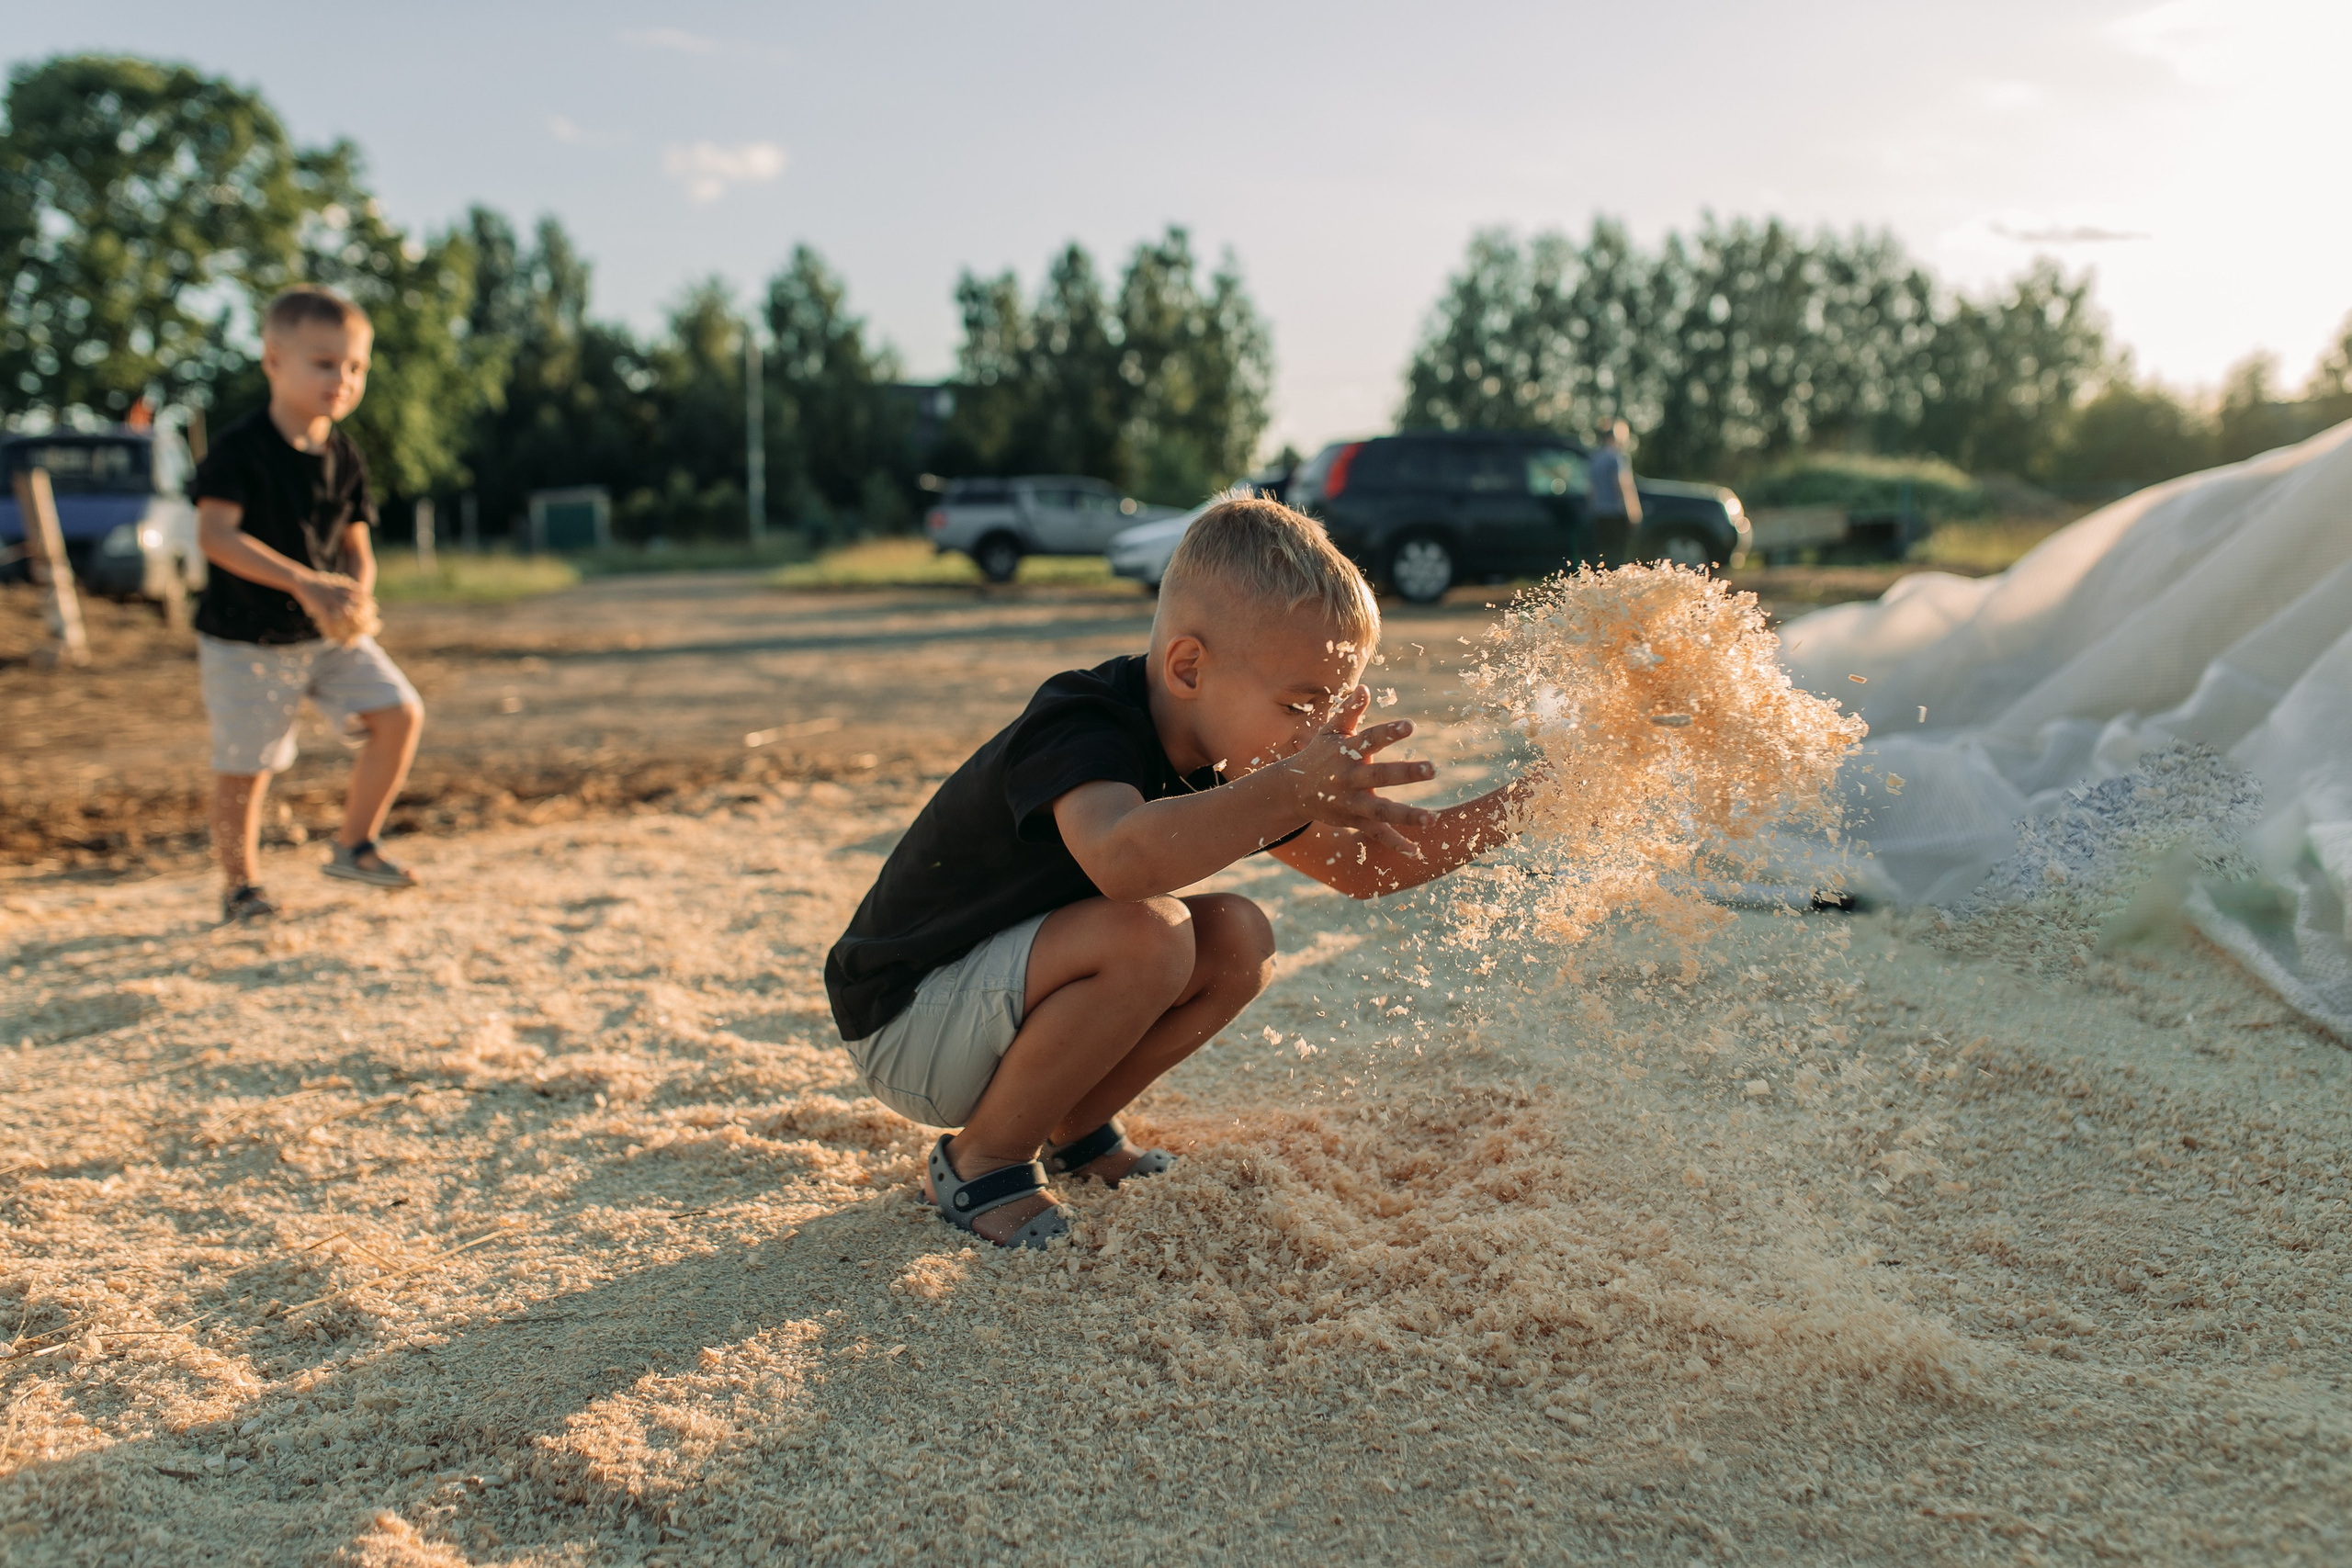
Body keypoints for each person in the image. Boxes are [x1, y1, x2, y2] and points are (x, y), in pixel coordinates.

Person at [824, 491, 1529, 1247]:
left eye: (1334, 713)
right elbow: (1122, 857)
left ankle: (1074, 1123)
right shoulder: (1082, 718)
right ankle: (981, 1159)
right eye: (1302, 707)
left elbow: (1367, 871)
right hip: (907, 1021)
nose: (1319, 736)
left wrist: (1535, 799)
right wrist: (1290, 787)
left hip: (992, 1014)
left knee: (1238, 936)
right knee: (1152, 933)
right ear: (1188, 667)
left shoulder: (1230, 761)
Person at [191, 286, 424, 921]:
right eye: (324, 363)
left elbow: (357, 547)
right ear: (273, 359)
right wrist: (303, 582)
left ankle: (355, 845)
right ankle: (241, 888)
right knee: (248, 766)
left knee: (400, 712)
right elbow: (215, 537)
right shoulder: (241, 449)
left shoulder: (345, 454)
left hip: (324, 633)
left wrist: (357, 591)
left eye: (355, 368)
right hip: (244, 637)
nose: (342, 379)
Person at [1586, 418, 1643, 568]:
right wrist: (1633, 511)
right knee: (1619, 556)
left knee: (1603, 555)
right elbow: (1622, 484)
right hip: (1616, 513)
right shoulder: (1616, 458)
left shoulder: (1595, 458)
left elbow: (1591, 490)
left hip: (1599, 512)